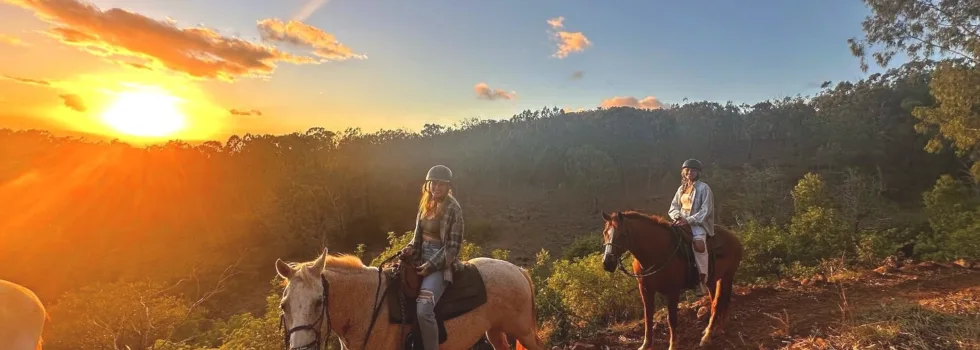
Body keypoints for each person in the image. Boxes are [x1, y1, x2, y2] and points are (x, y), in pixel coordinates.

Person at [399, 165, 465, 350]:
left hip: (441, 262)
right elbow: (416, 238)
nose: (436, 187)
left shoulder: (454, 209)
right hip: (420, 256)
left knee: (424, 309)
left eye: (441, 184)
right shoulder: (425, 204)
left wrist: (430, 266)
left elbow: (453, 248)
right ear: (428, 185)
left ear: (448, 186)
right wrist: (409, 250)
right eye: (433, 183)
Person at [667, 158, 715, 297]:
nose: (690, 172)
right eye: (687, 170)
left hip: (698, 225)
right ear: (683, 172)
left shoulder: (704, 188)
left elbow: (706, 210)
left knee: (699, 246)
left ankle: (703, 282)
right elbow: (673, 207)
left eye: (693, 170)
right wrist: (677, 216)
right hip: (680, 222)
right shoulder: (681, 189)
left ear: (698, 172)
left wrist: (688, 220)